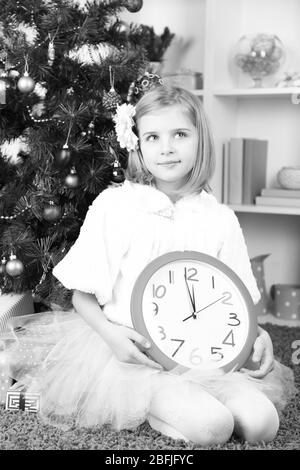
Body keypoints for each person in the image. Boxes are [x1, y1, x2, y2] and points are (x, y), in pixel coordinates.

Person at [5, 80, 295, 445]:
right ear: (137, 144)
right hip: (137, 356)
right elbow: (81, 296)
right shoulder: (117, 206)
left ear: (200, 140)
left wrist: (258, 334)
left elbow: (232, 299)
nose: (167, 148)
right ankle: (164, 408)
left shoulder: (219, 217)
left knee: (262, 424)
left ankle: (197, 399)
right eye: (153, 137)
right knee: (212, 428)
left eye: (180, 134)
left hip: (205, 352)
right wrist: (112, 338)